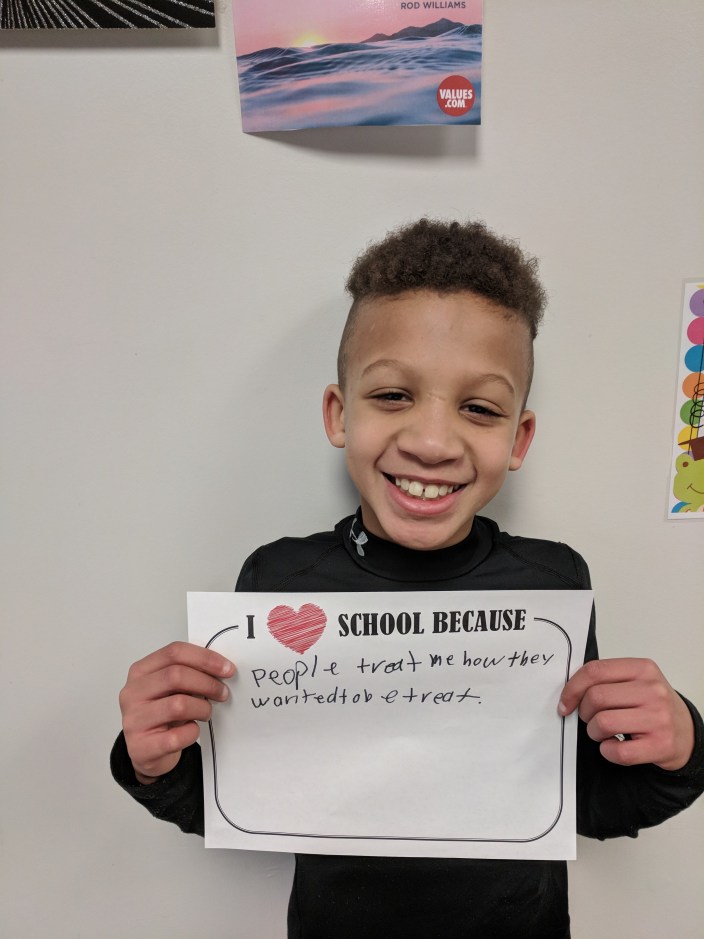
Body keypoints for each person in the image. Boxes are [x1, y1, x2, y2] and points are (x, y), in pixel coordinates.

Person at [112, 219, 704, 938]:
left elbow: (584, 804)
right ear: (339, 414)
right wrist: (155, 761)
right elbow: (242, 801)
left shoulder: (551, 585)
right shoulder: (279, 581)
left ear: (518, 438)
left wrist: (680, 747)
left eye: (479, 408)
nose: (431, 441)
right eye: (393, 394)